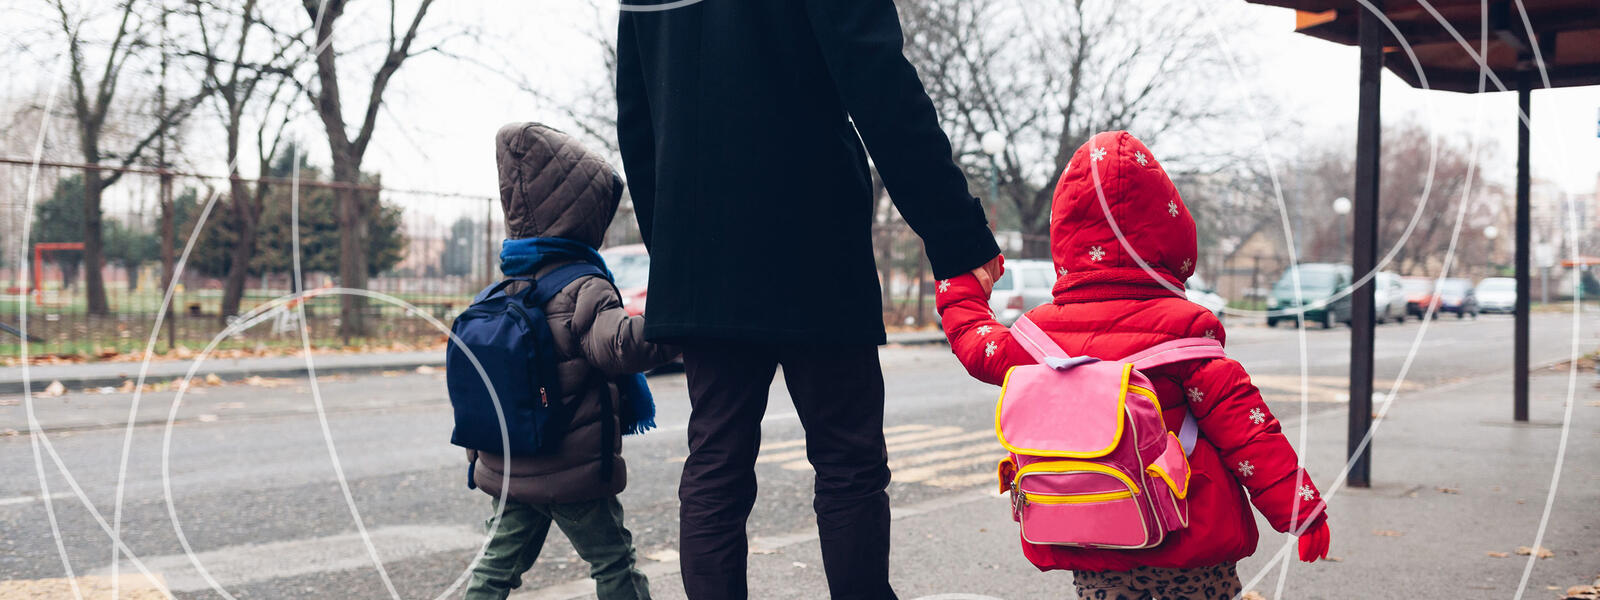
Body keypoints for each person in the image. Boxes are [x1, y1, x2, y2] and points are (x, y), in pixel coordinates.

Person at [615, 2, 1003, 598]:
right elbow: (878, 79)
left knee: (716, 466)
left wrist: (674, 247)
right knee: (848, 463)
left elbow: (637, 114)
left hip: (701, 244)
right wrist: (956, 235)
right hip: (811, 234)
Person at [935, 131, 1332, 599]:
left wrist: (959, 286)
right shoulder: (1187, 332)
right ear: (1175, 235)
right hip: (1189, 534)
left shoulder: (1038, 337)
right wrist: (1300, 510)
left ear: (1065, 237)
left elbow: (975, 345)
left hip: (1092, 529)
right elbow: (1246, 431)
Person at [463, 122, 680, 600]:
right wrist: (677, 329)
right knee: (613, 562)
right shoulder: (583, 284)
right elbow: (620, 346)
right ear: (583, 215)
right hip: (570, 467)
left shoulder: (504, 286)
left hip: (508, 467)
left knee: (495, 569)